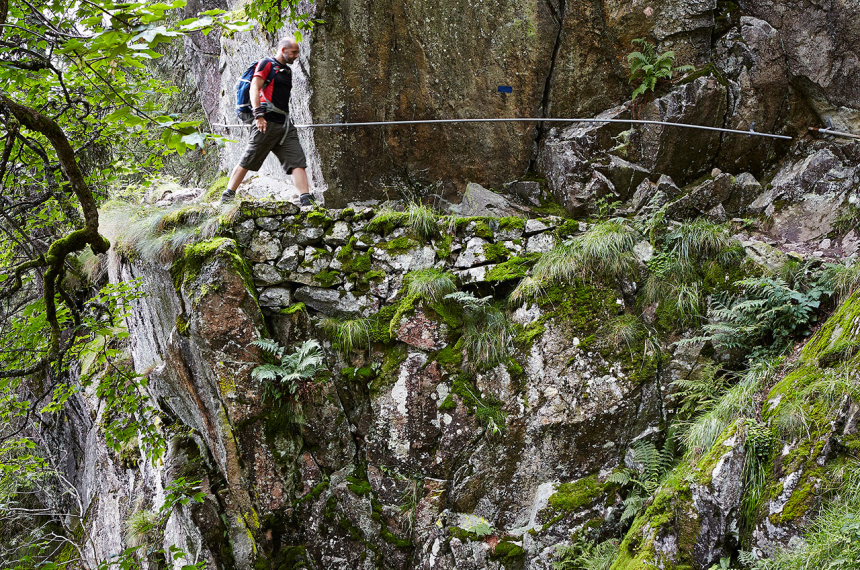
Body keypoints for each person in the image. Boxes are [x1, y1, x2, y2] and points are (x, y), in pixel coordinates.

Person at [222, 38, 316, 207]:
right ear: (283, 50)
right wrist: (258, 115)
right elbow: (254, 88)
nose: (296, 56)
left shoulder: (286, 71)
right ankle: (227, 197)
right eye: (293, 52)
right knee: (249, 158)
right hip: (266, 122)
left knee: (297, 160)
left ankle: (306, 199)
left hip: (285, 125)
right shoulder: (267, 64)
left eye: (297, 53)